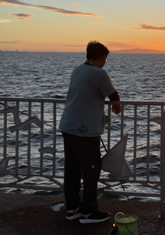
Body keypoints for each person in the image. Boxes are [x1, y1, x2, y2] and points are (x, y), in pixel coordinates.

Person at [59, 41, 121, 224]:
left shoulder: (77, 70)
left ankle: (73, 209)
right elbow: (114, 96)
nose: (105, 62)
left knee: (72, 170)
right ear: (102, 57)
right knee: (91, 170)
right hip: (84, 131)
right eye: (106, 59)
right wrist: (116, 104)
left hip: (67, 126)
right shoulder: (99, 73)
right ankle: (88, 212)